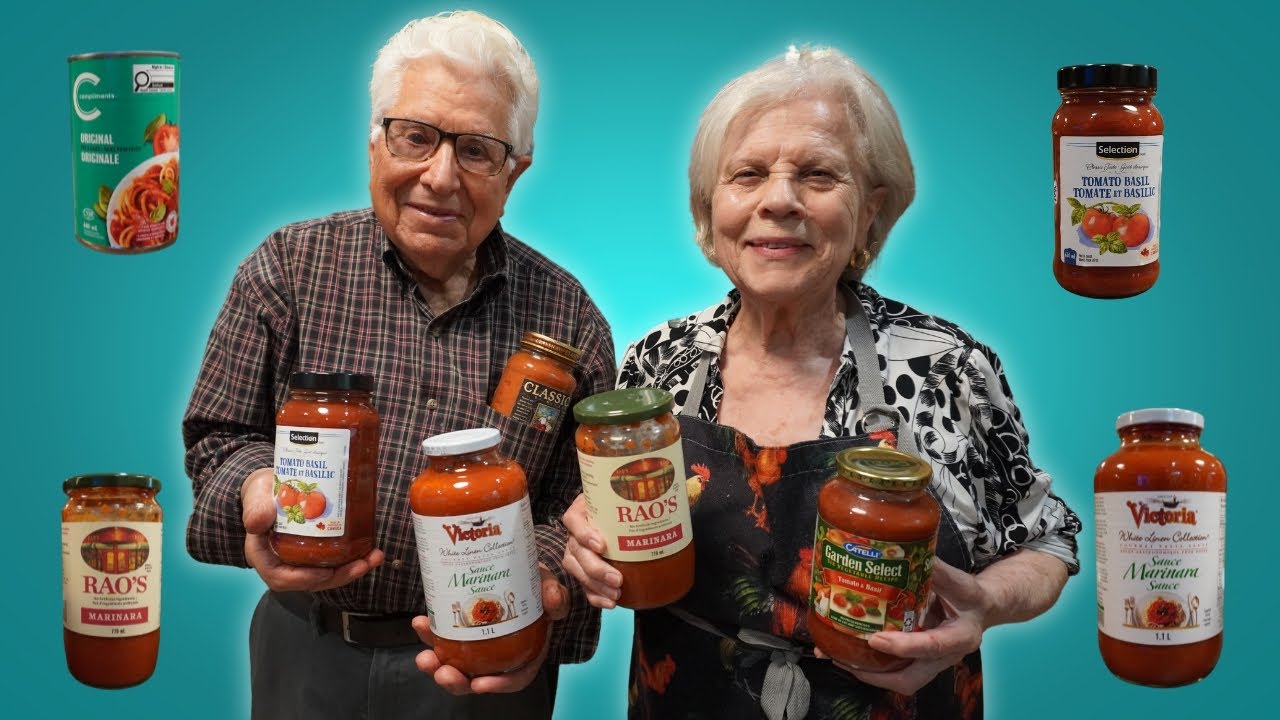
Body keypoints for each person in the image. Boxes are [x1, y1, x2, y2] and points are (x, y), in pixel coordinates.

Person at [561, 46, 1081, 719]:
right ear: (708, 214)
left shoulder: (944, 364)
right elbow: (603, 517)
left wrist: (983, 607)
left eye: (817, 175)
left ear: (872, 209)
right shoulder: (660, 361)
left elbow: (1045, 542)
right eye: (747, 175)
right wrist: (588, 535)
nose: (779, 201)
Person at [183, 11, 615, 719]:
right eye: (415, 136)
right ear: (376, 139)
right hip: (306, 649)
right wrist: (258, 492)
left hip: (487, 664)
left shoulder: (568, 324)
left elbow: (577, 506)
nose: (439, 177)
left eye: (476, 150)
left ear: (516, 171)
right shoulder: (288, 269)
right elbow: (218, 440)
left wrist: (538, 583)